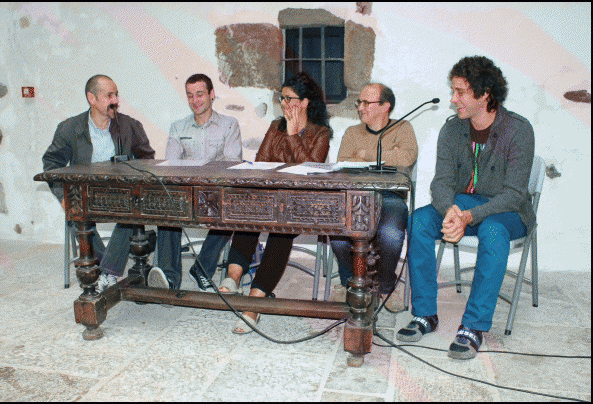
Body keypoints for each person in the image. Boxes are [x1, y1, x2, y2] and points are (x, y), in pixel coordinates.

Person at [398, 56, 535, 360]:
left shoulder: (518, 130)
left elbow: (514, 194)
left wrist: (470, 216)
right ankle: (424, 314)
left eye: (460, 92)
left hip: (509, 212)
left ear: (484, 94)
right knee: (419, 221)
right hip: (463, 206)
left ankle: (474, 325)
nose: (453, 99)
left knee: (493, 230)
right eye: (453, 91)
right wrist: (450, 210)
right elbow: (441, 183)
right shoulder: (452, 130)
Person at [218, 72, 332, 334]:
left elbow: (309, 170)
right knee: (249, 213)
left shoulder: (321, 133)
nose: (283, 103)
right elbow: (261, 161)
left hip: (299, 202)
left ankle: (255, 302)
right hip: (270, 196)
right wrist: (284, 134)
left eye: (289, 98)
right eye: (281, 98)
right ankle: (233, 276)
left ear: (305, 102)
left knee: (281, 229)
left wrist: (293, 136)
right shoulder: (274, 126)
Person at [42, 74, 155, 292]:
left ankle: (107, 271)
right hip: (86, 194)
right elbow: (51, 164)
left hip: (122, 194)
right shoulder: (70, 128)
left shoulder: (129, 125)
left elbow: (147, 160)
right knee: (77, 213)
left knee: (133, 212)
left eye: (116, 95)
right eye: (109, 95)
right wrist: (63, 196)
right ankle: (108, 270)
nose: (115, 100)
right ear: (91, 99)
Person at [147, 74, 242, 290]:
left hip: (216, 193)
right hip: (185, 193)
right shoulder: (178, 127)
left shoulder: (229, 125)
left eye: (200, 94)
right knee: (168, 204)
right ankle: (169, 279)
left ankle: (201, 269)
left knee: (231, 208)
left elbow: (231, 164)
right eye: (190, 96)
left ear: (211, 94)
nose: (195, 100)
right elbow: (171, 165)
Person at [330, 83, 418, 299]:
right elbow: (343, 163)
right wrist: (388, 155)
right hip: (355, 195)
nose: (360, 107)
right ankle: (348, 283)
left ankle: (385, 287)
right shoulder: (352, 132)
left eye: (366, 103)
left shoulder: (403, 128)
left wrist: (363, 154)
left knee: (390, 234)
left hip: (390, 195)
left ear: (385, 106)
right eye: (359, 102)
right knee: (338, 234)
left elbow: (406, 158)